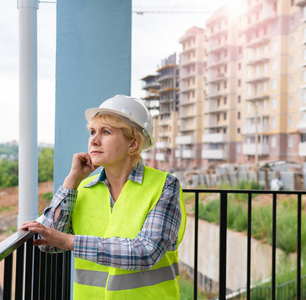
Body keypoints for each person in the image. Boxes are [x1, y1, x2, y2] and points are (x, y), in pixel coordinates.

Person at [21, 95, 187, 299]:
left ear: (133, 144)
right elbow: (47, 243)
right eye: (92, 132)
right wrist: (72, 180)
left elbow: (147, 252)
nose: (94, 139)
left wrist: (70, 241)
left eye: (105, 132)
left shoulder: (164, 186)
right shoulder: (83, 190)